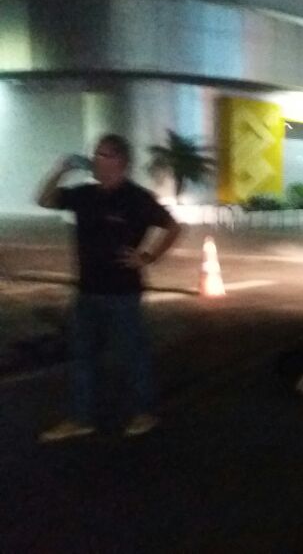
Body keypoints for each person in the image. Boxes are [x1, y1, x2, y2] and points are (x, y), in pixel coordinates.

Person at [36, 134, 181, 441]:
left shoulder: (136, 198)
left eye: (105, 155)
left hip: (123, 294)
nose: (97, 161)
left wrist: (147, 256)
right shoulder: (85, 195)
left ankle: (144, 412)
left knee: (133, 356)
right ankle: (81, 418)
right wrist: (61, 170)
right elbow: (45, 200)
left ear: (122, 163)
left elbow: (173, 225)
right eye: (97, 155)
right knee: (82, 357)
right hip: (87, 290)